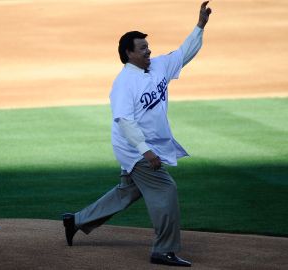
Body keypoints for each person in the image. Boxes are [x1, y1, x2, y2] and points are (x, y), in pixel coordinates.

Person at [62, 1, 212, 267]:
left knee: (127, 193)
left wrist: (200, 25)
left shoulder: (157, 67)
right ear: (129, 54)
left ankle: (76, 221)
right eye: (142, 48)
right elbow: (124, 121)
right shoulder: (124, 84)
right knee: (166, 189)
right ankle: (162, 250)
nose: (149, 50)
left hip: (147, 146)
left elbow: (183, 53)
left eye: (148, 46)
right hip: (134, 148)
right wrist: (146, 151)